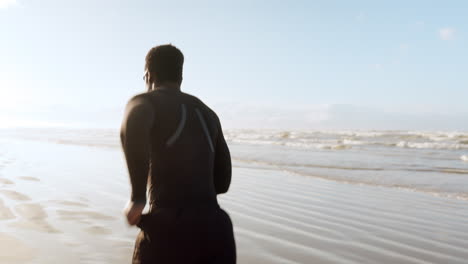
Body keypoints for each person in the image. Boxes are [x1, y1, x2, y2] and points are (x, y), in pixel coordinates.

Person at [120, 44, 236, 264]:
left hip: (169, 229)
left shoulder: (145, 102)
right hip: (217, 229)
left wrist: (137, 198)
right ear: (180, 76)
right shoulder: (209, 113)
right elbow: (223, 182)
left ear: (148, 74)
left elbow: (134, 123)